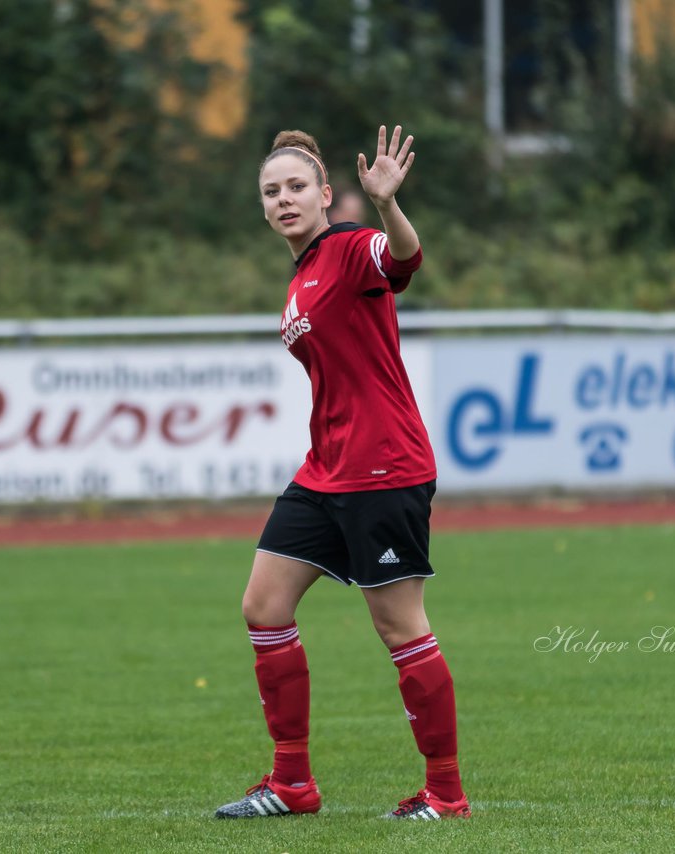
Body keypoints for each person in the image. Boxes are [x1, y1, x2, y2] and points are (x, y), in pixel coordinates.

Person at [213, 125, 470, 821]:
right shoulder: (302, 273)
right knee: (263, 607)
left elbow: (405, 257)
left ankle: (446, 794)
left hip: (383, 468)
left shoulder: (352, 248)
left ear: (326, 195)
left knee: (400, 628)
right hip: (326, 470)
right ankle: (292, 784)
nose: (284, 199)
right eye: (271, 191)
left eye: (297, 187)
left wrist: (387, 204)